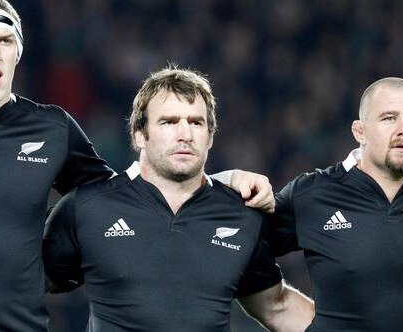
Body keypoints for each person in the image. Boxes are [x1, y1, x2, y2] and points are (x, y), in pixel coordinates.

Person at [0, 0, 275, 331]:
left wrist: (220, 179)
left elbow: (125, 196)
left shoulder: (51, 127)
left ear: (18, 53)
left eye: (5, 41)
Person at [42, 67, 314, 332]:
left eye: (196, 122)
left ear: (210, 137)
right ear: (140, 135)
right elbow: (21, 287)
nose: (185, 134)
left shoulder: (242, 215)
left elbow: (277, 306)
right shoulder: (88, 207)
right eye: (169, 122)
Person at [271, 77, 403, 332]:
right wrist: (281, 308)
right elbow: (242, 252)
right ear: (359, 132)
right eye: (388, 118)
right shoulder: (311, 195)